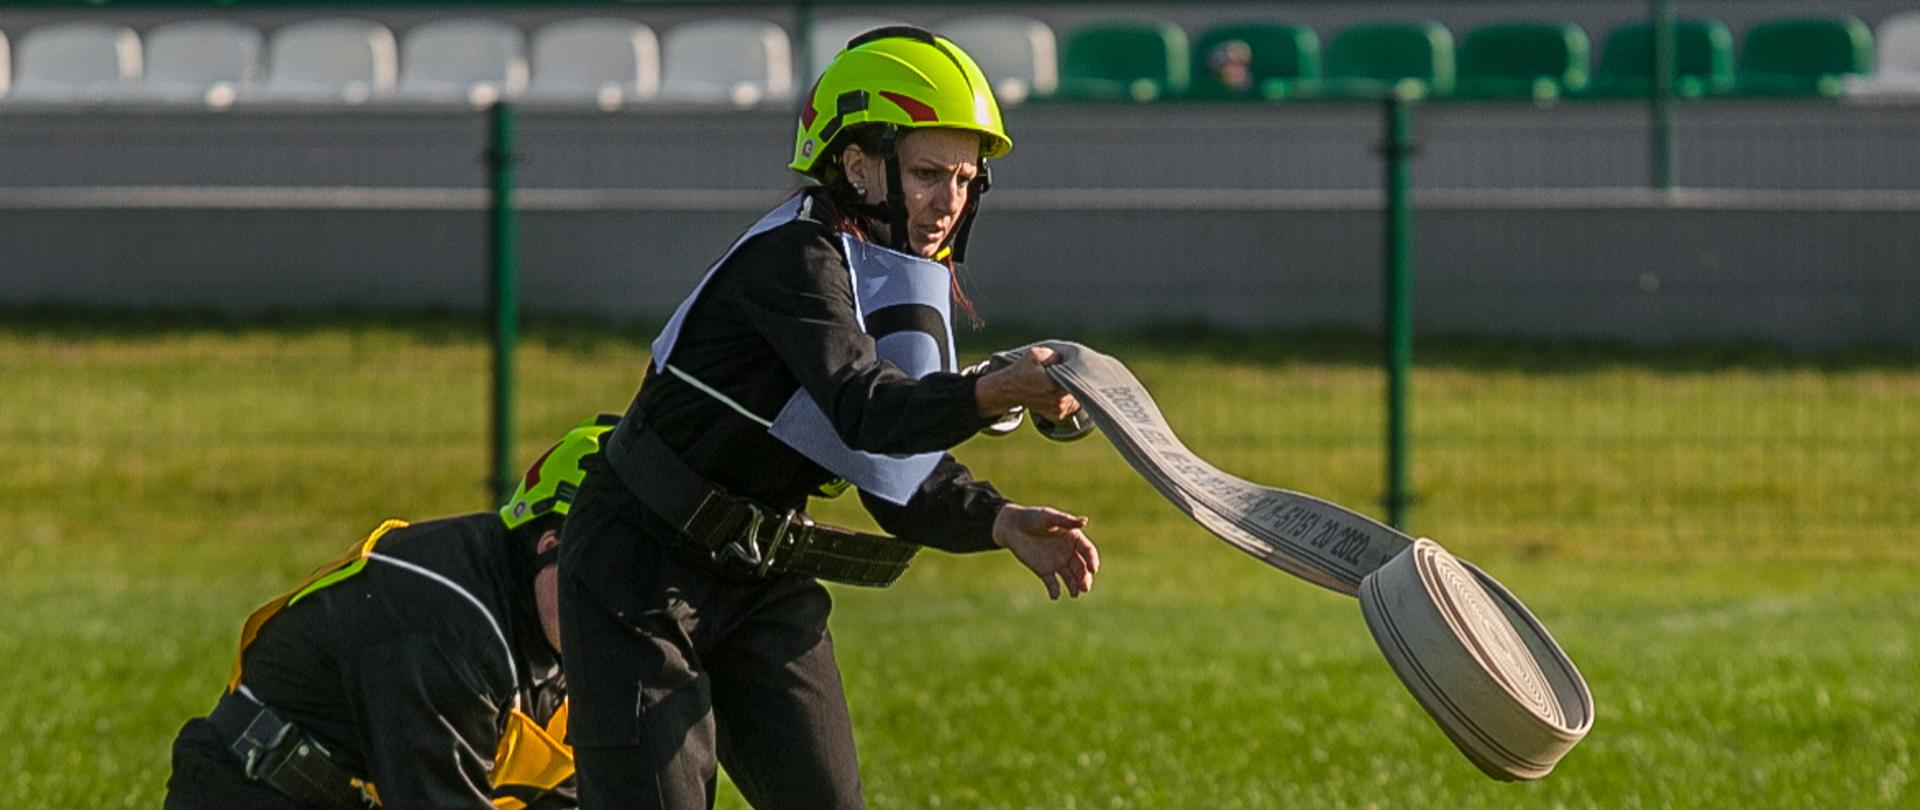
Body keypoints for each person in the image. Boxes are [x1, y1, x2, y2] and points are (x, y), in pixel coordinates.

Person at [559, 26, 1100, 809]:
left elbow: (894, 477)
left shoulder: (890, 269)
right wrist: (992, 393)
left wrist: (999, 520)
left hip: (763, 574)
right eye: (927, 173)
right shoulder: (794, 258)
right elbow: (866, 411)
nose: (949, 202)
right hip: (637, 568)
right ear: (855, 165)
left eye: (965, 178)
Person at [164, 416, 618, 810]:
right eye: (611, 576)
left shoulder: (558, 635)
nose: (626, 609)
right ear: (549, 545)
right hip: (250, 793)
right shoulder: (443, 618)